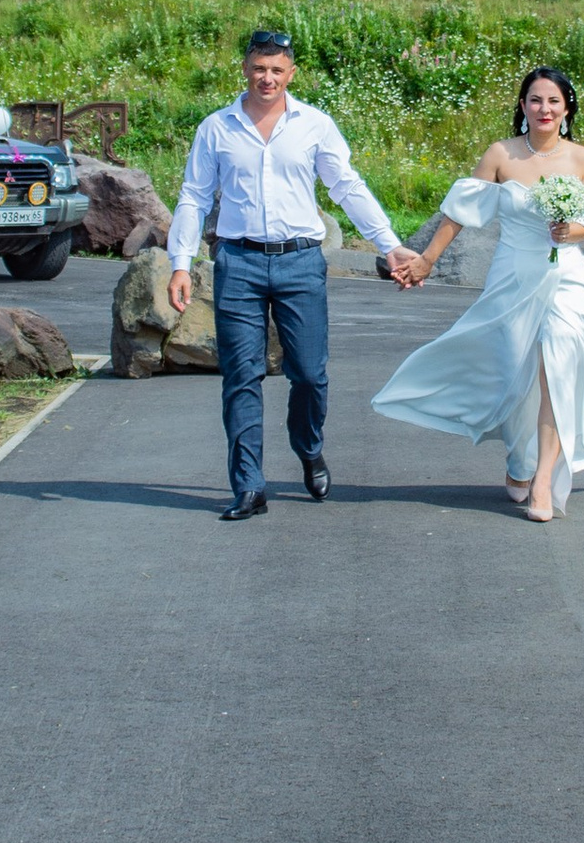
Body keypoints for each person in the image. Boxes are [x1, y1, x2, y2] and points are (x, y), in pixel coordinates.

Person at [374, 64, 584, 519]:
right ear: (522, 106)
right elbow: (461, 212)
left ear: (567, 108)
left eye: (554, 101)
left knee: (557, 362)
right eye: (536, 100)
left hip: (566, 279)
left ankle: (544, 481)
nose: (544, 109)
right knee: (514, 373)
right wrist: (427, 260)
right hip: (512, 277)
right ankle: (520, 460)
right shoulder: (501, 154)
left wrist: (569, 230)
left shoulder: (583, 159)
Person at [167, 29, 406, 520]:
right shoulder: (217, 127)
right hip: (238, 261)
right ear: (245, 69)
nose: (267, 78)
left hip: (300, 261)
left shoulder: (314, 125)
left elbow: (346, 185)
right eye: (259, 68)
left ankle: (309, 447)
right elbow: (194, 196)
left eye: (277, 70)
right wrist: (180, 262)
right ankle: (250, 486)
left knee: (311, 374)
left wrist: (389, 244)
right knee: (241, 376)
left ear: (291, 73)